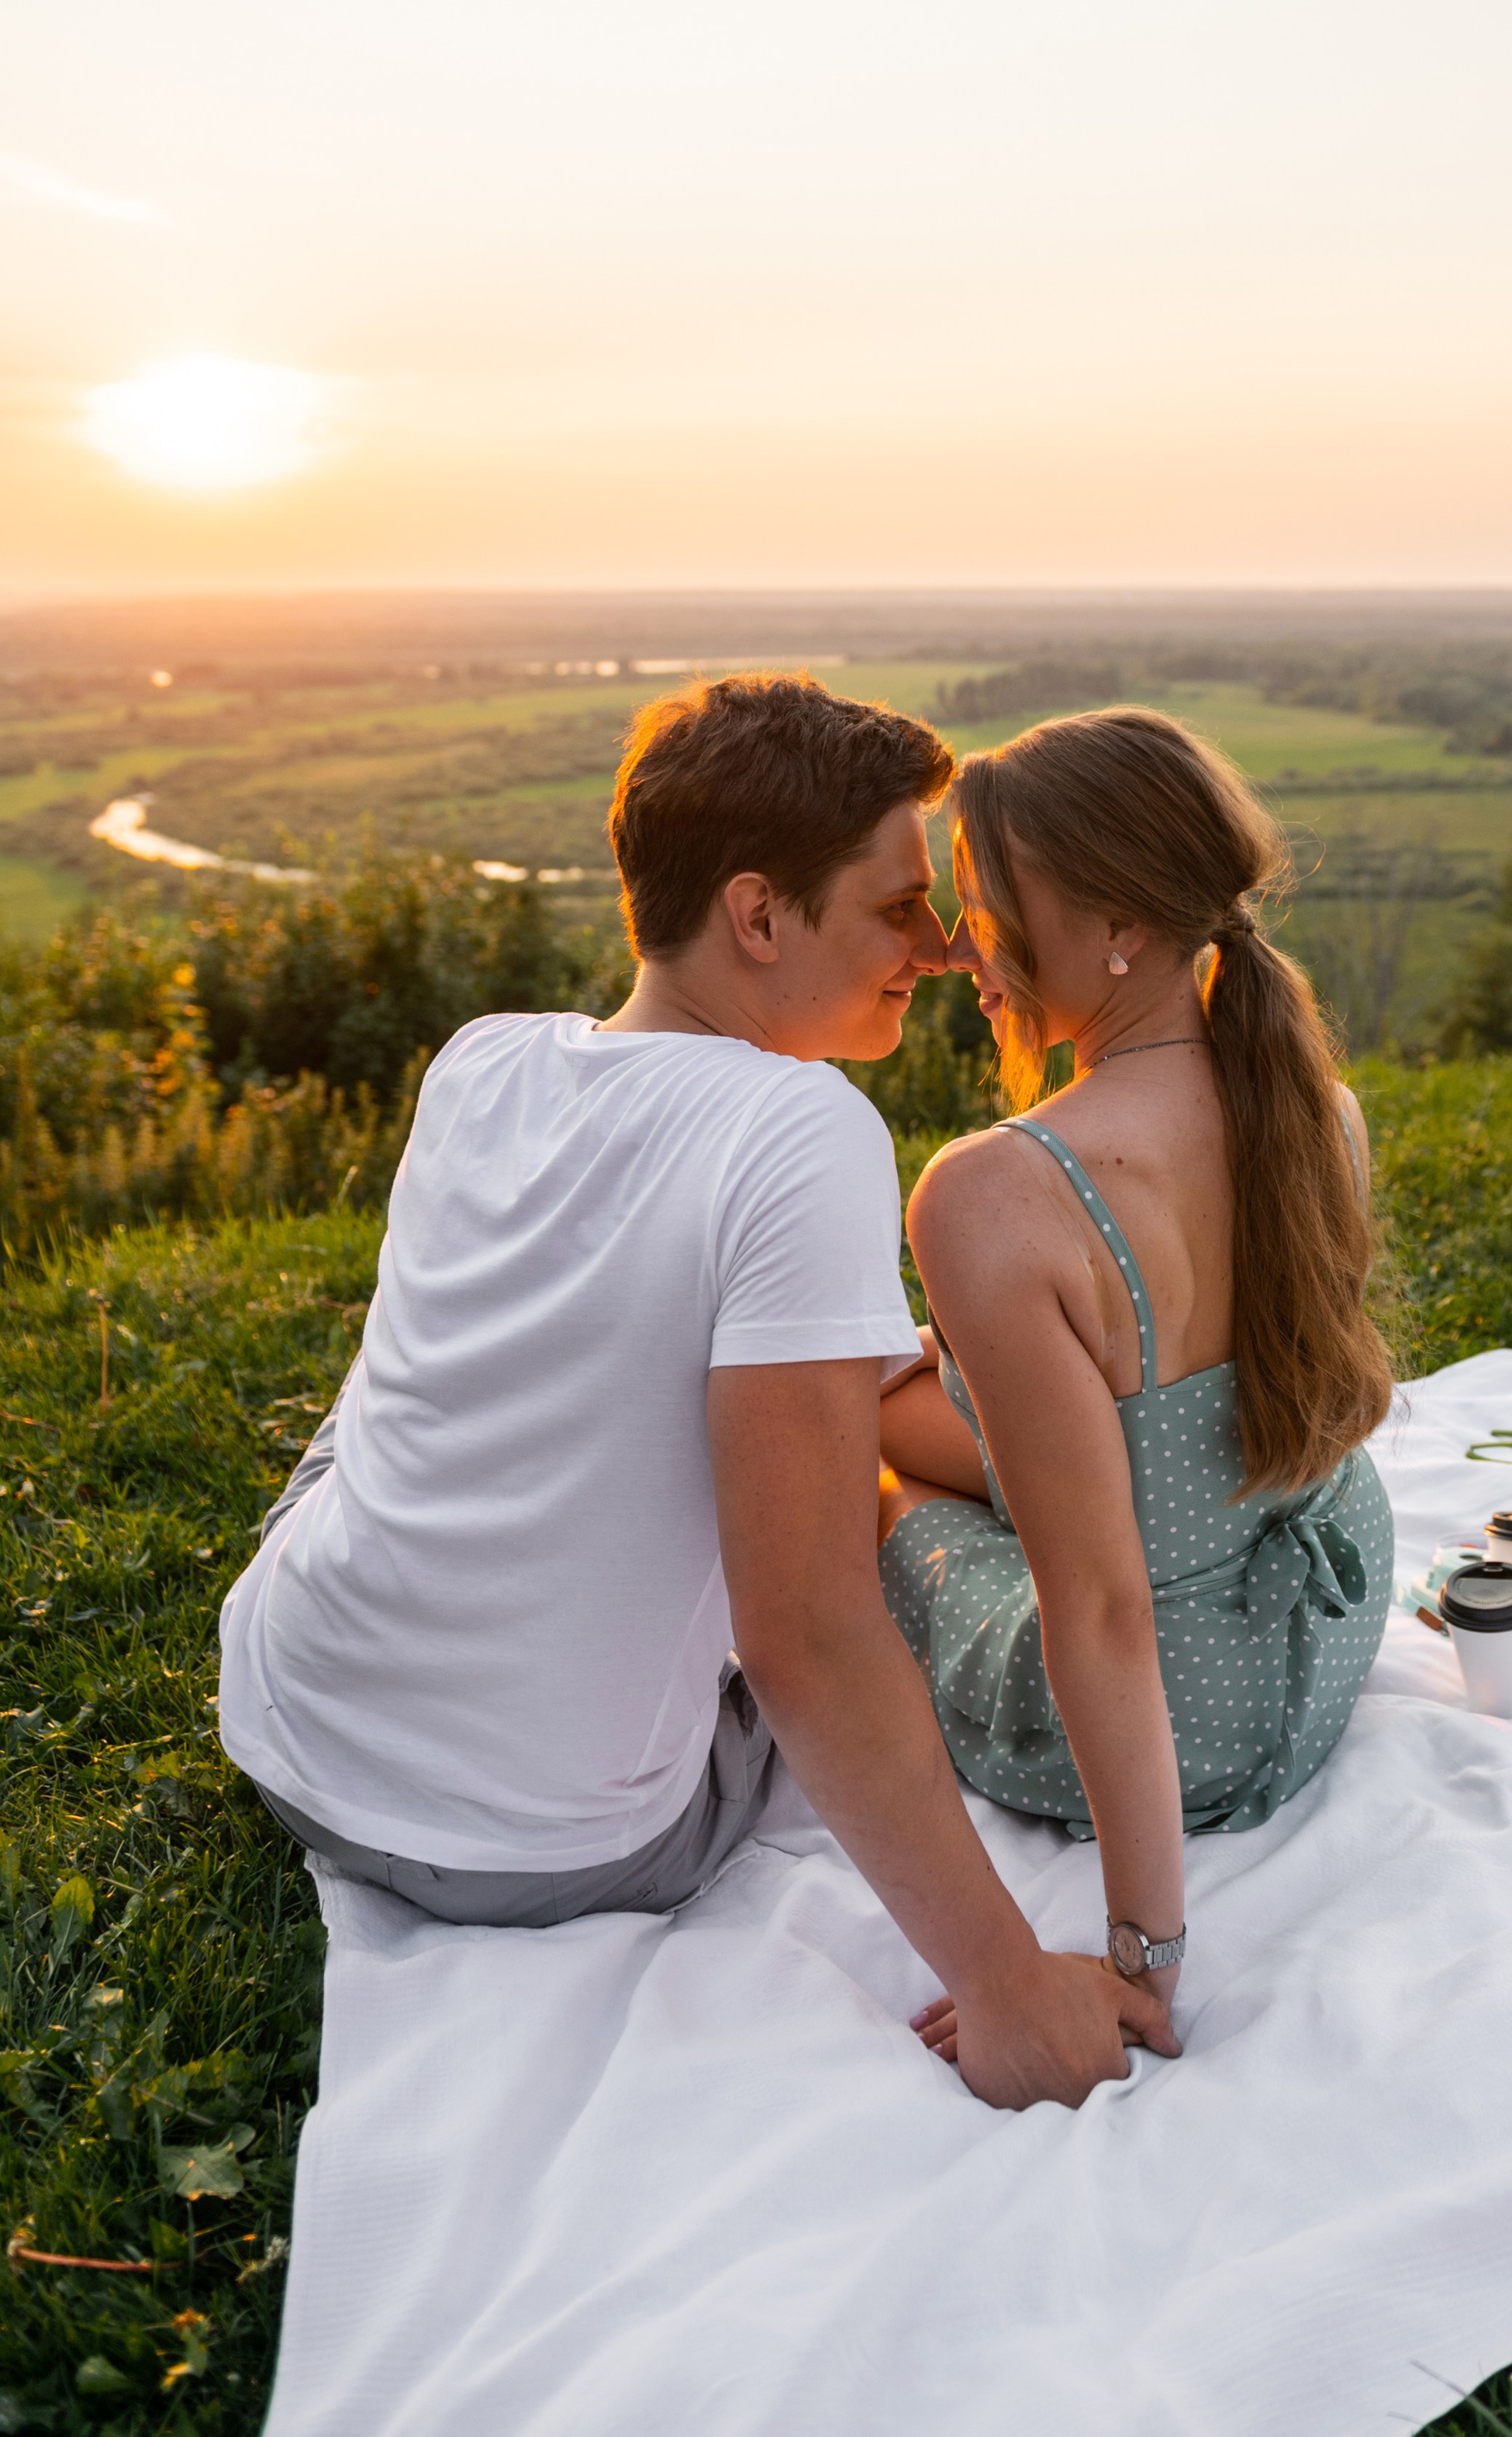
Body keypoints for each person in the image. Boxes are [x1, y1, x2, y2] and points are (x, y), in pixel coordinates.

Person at [218, 672, 1177, 2111]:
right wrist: (1006, 1984)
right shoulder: (801, 1128)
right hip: (543, 1847)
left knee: (366, 1423)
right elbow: (801, 1636)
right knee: (841, 1541)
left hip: (298, 1718)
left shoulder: (481, 1061)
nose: (938, 943)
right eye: (896, 904)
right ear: (758, 916)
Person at [878, 708, 1394, 2063]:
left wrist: (1142, 1957)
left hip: (1191, 1716)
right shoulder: (1317, 1110)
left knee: (878, 1485)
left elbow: (1101, 1614)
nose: (951, 950)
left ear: (1114, 927)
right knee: (953, 1421)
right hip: (1328, 1615)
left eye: (983, 911)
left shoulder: (994, 1194)